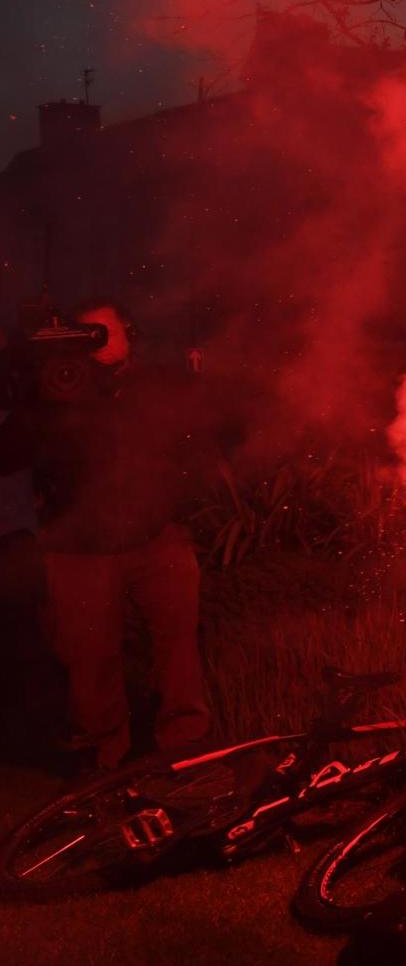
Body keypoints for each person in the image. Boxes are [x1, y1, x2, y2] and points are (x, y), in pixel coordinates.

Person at [0, 300, 214, 772]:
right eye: (84, 333)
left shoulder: (152, 384)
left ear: (127, 335)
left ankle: (185, 750)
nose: (93, 342)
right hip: (77, 552)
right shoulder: (56, 390)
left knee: (178, 649)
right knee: (90, 660)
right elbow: (9, 453)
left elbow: (199, 433)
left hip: (157, 541)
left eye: (103, 332)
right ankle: (105, 760)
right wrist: (39, 397)